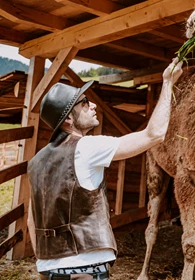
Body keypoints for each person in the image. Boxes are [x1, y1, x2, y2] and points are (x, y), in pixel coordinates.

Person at [27, 59, 183, 280]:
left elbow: (31, 221)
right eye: (84, 103)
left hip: (47, 268)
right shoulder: (87, 147)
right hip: (86, 267)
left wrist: (44, 263)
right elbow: (154, 134)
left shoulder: (35, 162)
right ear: (69, 119)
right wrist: (168, 83)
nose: (93, 106)